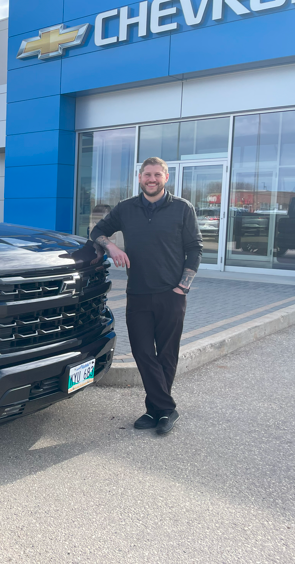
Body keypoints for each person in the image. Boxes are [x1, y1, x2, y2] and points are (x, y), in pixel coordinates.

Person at [90, 157, 202, 435]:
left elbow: (195, 248)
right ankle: (167, 409)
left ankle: (155, 410)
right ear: (140, 178)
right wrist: (112, 248)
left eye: (157, 175)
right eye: (147, 175)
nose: (151, 179)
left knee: (167, 353)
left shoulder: (182, 208)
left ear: (166, 178)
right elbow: (97, 231)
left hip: (171, 294)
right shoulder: (126, 208)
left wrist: (183, 287)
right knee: (142, 351)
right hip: (138, 292)